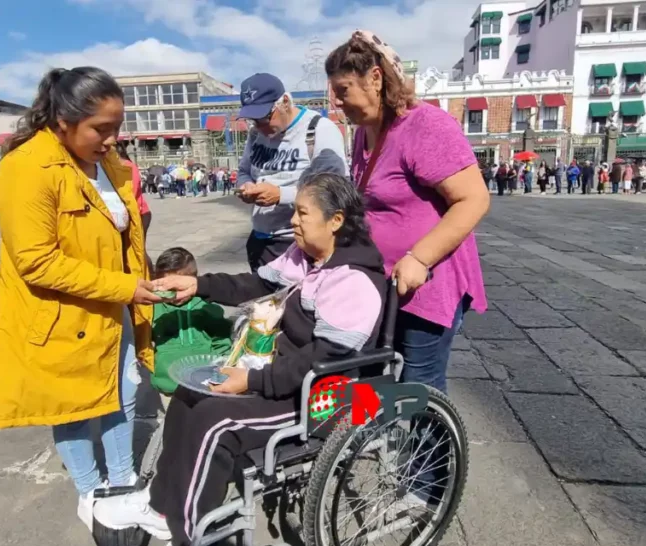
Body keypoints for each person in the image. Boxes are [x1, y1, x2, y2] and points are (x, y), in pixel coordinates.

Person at [118, 172, 388, 546]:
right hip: (283, 376)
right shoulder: (307, 258)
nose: (292, 221)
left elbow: (323, 359)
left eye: (301, 213)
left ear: (336, 220)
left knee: (215, 423)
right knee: (191, 395)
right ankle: (161, 505)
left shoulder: (354, 282)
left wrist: (252, 381)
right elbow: (253, 283)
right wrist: (197, 285)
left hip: (326, 395)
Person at [0, 67, 162, 533]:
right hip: (60, 312)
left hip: (109, 306)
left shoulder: (105, 163)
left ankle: (123, 483)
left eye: (117, 127)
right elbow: (36, 261)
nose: (111, 139)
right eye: (101, 129)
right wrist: (124, 287)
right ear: (63, 121)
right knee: (72, 404)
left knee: (123, 394)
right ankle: (91, 491)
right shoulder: (26, 168)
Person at [325, 29, 490, 392]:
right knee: (370, 376)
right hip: (380, 283)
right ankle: (370, 442)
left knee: (419, 385)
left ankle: (432, 449)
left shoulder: (425, 126)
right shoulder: (363, 132)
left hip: (426, 282)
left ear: (375, 79)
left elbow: (474, 199)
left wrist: (420, 257)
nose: (336, 102)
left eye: (343, 91)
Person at [235, 73, 348, 273]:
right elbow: (244, 171)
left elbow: (336, 189)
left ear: (285, 102)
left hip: (299, 244)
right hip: (261, 240)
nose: (259, 127)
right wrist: (245, 186)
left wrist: (281, 195)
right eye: (254, 121)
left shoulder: (319, 130)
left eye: (264, 118)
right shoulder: (255, 135)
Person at [150, 247, 232, 397]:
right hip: (167, 386)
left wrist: (220, 373)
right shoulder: (152, 310)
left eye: (179, 288)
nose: (175, 295)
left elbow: (222, 342)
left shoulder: (206, 307)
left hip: (205, 384)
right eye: (168, 289)